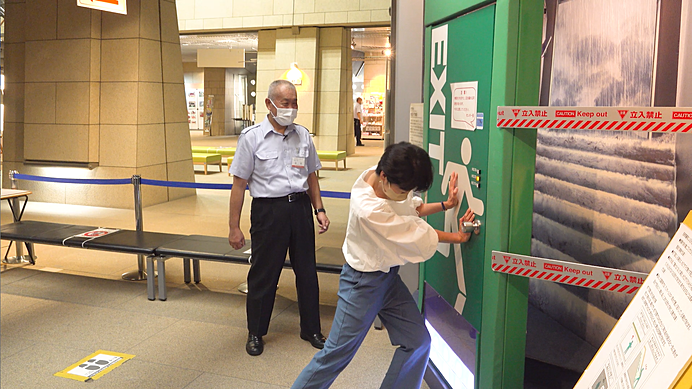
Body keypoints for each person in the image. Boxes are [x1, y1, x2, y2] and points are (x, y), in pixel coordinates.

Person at [292, 142, 476, 388]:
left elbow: (411, 209)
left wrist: (446, 204)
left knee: (418, 342)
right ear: (384, 177)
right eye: (404, 189)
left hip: (387, 278)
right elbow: (415, 231)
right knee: (335, 355)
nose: (406, 194)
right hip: (361, 283)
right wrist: (459, 237)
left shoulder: (380, 175)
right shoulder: (369, 208)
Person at [228, 79, 330, 356]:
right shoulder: (251, 137)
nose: (291, 108)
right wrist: (234, 227)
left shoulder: (303, 135)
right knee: (264, 274)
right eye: (286, 103)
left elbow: (311, 176)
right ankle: (256, 332)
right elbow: (239, 185)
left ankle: (311, 329)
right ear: (269, 104)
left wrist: (318, 209)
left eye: (294, 103)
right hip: (268, 211)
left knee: (307, 272)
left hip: (299, 209)